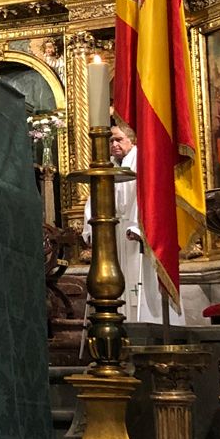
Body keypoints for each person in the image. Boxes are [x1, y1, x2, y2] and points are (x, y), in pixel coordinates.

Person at [81, 123, 184, 324]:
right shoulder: (108, 165)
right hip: (112, 233)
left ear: (131, 139)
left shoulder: (141, 162)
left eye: (118, 139)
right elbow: (93, 199)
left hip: (138, 233)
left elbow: (147, 196)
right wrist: (90, 229)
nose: (114, 144)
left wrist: (139, 226)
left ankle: (147, 322)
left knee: (141, 279)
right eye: (111, 141)